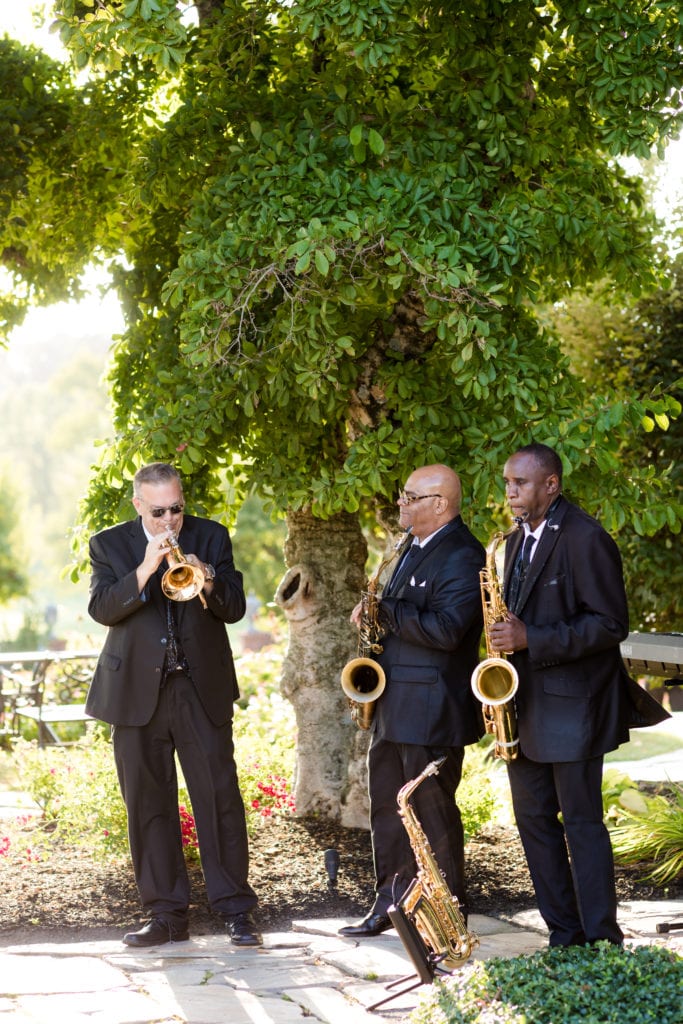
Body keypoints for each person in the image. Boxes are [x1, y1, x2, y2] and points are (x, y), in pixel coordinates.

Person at [489, 442, 669, 947]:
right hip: (524, 705)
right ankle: (563, 935)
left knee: (582, 825)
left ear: (552, 484)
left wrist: (531, 639)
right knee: (533, 822)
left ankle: (602, 938)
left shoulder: (587, 537)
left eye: (520, 483)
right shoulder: (515, 540)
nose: (510, 492)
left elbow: (610, 624)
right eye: (507, 482)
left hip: (574, 709)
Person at [86, 462, 261, 948]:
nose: (170, 521)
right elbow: (103, 608)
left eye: (177, 509)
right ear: (139, 505)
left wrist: (205, 579)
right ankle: (166, 915)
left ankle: (236, 911)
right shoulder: (110, 544)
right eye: (159, 511)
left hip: (198, 687)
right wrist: (145, 567)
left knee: (219, 799)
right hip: (136, 694)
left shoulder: (211, 536)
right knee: (148, 804)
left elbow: (234, 607)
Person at [339, 464, 485, 938]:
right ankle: (390, 904)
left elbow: (447, 630)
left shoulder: (464, 553)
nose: (401, 503)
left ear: (440, 503)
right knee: (387, 808)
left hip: (433, 711)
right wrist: (372, 620)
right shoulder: (408, 547)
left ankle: (446, 915)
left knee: (431, 814)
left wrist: (386, 610)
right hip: (393, 703)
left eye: (410, 496)